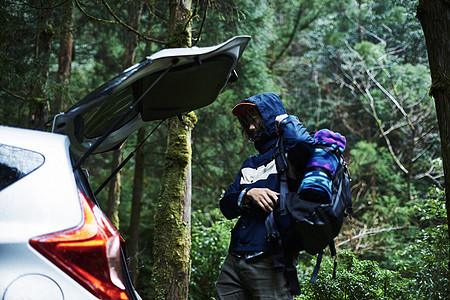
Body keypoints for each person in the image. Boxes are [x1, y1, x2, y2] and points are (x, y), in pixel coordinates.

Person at [215, 93, 315, 299]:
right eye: (247, 122)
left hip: (271, 260)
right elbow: (226, 205)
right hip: (234, 260)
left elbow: (303, 143)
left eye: (256, 119)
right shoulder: (250, 164)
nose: (251, 128)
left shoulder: (290, 156)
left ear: (270, 117)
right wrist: (249, 193)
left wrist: (283, 119)